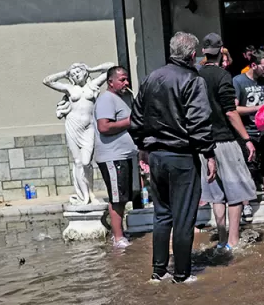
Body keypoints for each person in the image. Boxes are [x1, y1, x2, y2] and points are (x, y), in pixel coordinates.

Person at [130, 32, 217, 285]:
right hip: (182, 156)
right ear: (192, 55)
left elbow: (136, 119)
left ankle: (158, 271)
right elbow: (199, 121)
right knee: (184, 217)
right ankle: (182, 274)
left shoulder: (151, 78)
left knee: (162, 214)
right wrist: (209, 154)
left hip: (156, 156)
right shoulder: (193, 80)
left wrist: (143, 146)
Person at [198, 33, 259, 257]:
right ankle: (233, 242)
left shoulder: (196, 75)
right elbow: (230, 112)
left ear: (203, 52)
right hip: (225, 140)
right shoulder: (223, 76)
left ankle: (221, 238)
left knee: (216, 194)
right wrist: (246, 138)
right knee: (235, 192)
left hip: (205, 144)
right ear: (221, 50)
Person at [43, 61, 115, 205]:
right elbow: (47, 81)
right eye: (73, 74)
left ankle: (89, 192)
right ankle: (85, 196)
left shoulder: (93, 85)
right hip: (72, 125)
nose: (76, 75)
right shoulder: (69, 88)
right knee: (78, 162)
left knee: (86, 162)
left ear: (85, 72)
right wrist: (66, 72)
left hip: (88, 127)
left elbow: (111, 67)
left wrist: (92, 68)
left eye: (79, 72)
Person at [233, 50, 264, 219]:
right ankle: (247, 205)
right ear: (254, 65)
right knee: (248, 169)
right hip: (247, 132)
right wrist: (257, 108)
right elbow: (235, 108)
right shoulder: (238, 81)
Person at [94, 66, 138, 248]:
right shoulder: (106, 99)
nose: (126, 83)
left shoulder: (120, 99)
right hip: (112, 157)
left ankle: (121, 232)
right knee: (117, 197)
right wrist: (130, 121)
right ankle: (118, 238)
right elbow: (103, 127)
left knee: (123, 197)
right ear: (110, 82)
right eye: (122, 80)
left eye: (127, 79)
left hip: (123, 155)